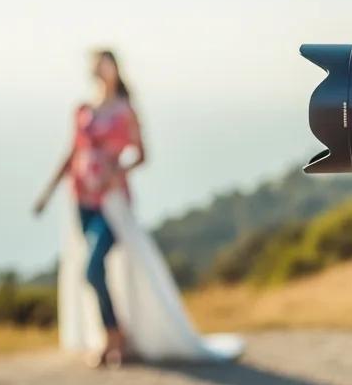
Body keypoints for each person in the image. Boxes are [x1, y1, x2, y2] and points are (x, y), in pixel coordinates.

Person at [34, 50, 242, 366]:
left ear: (116, 70)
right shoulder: (82, 109)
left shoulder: (125, 111)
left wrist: (116, 172)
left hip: (112, 201)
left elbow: (142, 154)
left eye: (107, 65)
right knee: (94, 269)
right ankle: (110, 337)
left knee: (93, 267)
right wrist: (47, 193)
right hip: (80, 198)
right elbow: (71, 152)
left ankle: (117, 335)